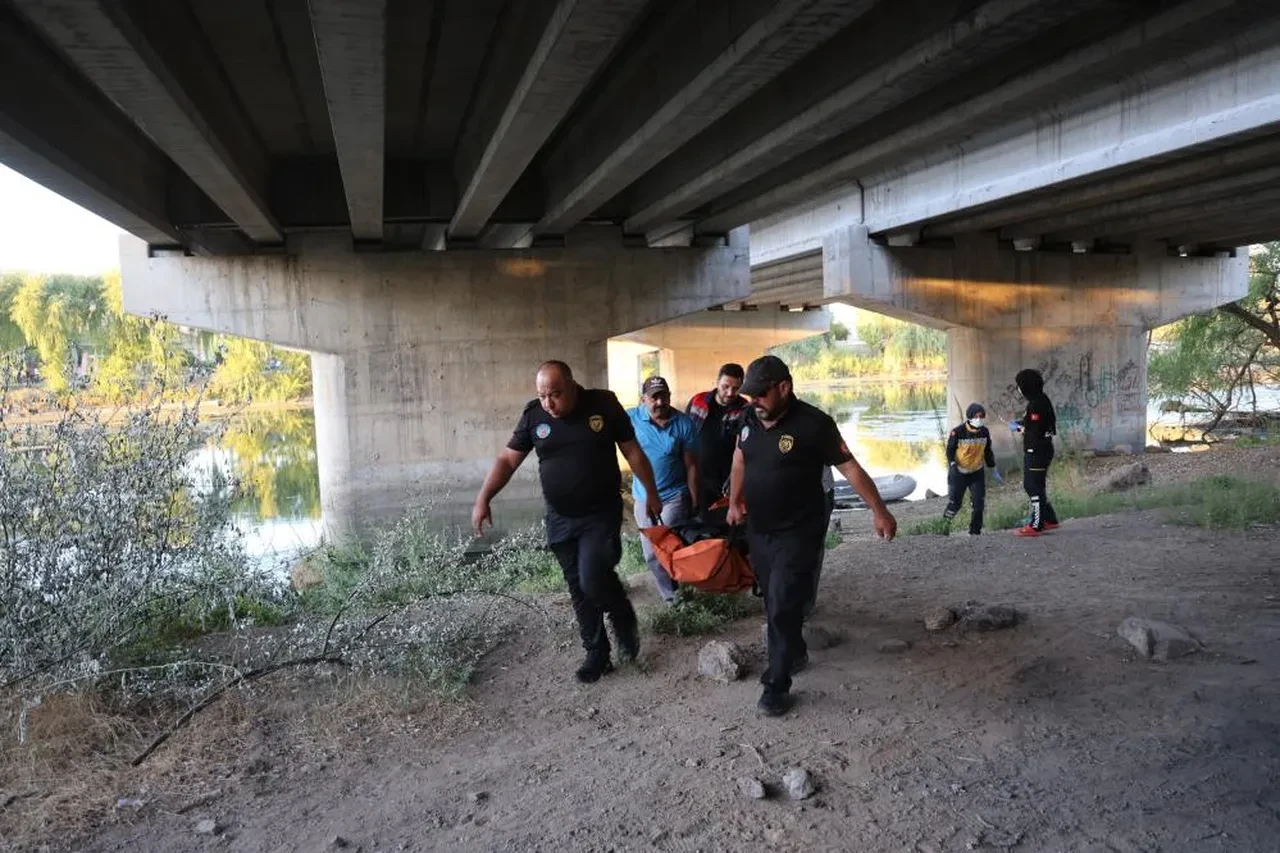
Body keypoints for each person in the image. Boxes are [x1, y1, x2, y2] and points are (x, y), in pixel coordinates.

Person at [472, 361, 664, 683]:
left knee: (593, 579)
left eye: (556, 395)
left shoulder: (603, 404)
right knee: (578, 589)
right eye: (543, 395)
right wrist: (483, 498)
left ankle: (621, 613)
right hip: (560, 518)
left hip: (599, 513)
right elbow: (507, 459)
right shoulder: (535, 415)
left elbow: (632, 452)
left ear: (573, 385)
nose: (549, 403)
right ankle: (597, 655)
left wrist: (652, 493)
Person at [727, 355, 897, 716]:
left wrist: (879, 510)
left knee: (783, 601)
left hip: (798, 530)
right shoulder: (749, 418)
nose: (752, 401)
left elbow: (849, 467)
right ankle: (796, 651)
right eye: (749, 395)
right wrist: (734, 501)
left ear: (784, 388)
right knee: (775, 603)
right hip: (760, 529)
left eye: (759, 394)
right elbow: (740, 459)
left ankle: (777, 683)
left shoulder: (814, 424)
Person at [629, 376, 699, 604]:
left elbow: (691, 465)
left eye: (664, 396)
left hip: (674, 496)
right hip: (643, 497)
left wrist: (694, 499)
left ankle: (683, 592)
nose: (659, 402)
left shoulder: (684, 424)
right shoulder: (631, 419)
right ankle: (672, 598)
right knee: (651, 554)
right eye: (654, 397)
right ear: (643, 400)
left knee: (669, 546)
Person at [685, 364, 750, 515]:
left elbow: (747, 448)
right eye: (725, 386)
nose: (729, 393)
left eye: (736, 388)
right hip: (696, 476)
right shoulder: (697, 401)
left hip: (727, 480)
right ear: (716, 382)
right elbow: (685, 435)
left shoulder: (746, 409)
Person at [1009, 368, 1059, 537]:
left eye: (1019, 386)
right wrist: (1024, 422)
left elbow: (1036, 430)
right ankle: (1050, 519)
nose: (1018, 389)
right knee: (1038, 485)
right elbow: (1040, 423)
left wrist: (1020, 428)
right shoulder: (1041, 400)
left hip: (1037, 451)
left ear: (1025, 386)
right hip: (1042, 449)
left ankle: (1036, 524)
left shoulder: (1036, 404)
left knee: (1032, 486)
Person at [942, 402, 1003, 536]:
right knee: (955, 504)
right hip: (959, 473)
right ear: (970, 417)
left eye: (982, 416)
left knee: (978, 505)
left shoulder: (984, 432)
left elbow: (987, 451)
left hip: (976, 473)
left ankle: (975, 533)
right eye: (977, 416)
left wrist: (993, 470)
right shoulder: (957, 432)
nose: (980, 419)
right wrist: (952, 464)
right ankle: (943, 529)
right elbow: (950, 450)